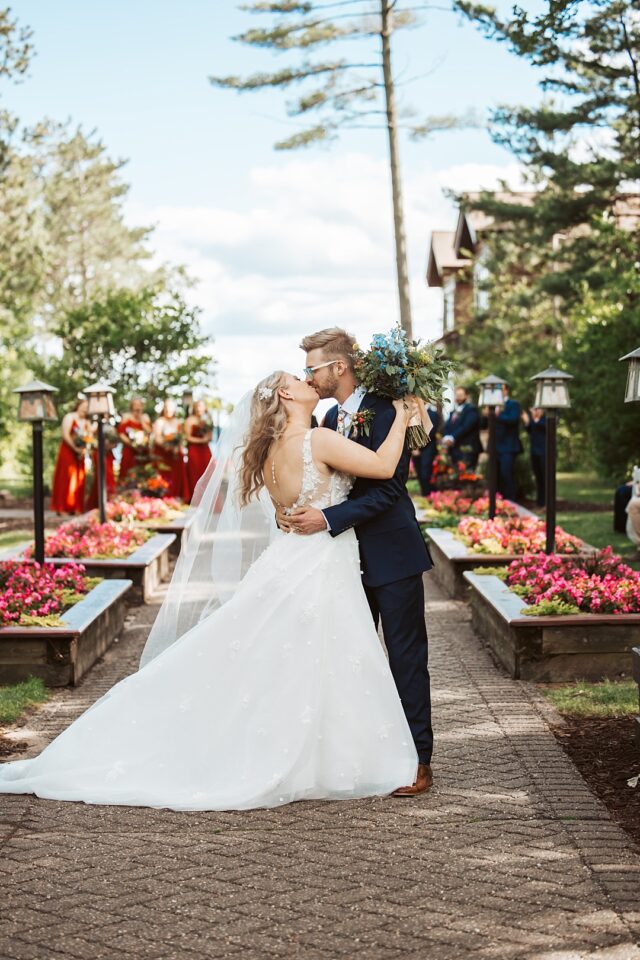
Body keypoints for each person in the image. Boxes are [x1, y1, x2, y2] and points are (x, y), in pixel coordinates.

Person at [0, 372, 419, 810]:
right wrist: (405, 415)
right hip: (319, 561)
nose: (307, 379)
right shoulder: (318, 440)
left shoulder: (270, 451)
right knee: (313, 655)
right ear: (286, 394)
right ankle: (319, 756)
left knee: (289, 656)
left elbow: (284, 511)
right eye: (298, 377)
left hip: (289, 557)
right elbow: (386, 468)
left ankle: (309, 753)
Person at [282, 327, 434, 798]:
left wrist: (327, 517)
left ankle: (418, 761)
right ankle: (360, 755)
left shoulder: (389, 408)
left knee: (405, 657)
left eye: (313, 367)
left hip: (392, 552)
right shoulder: (327, 417)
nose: (311, 374)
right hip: (343, 560)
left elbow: (389, 489)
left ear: (338, 367)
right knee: (351, 659)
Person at [50, 397, 91, 515]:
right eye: (84, 405)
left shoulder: (87, 422)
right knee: (66, 477)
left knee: (79, 479)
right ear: (78, 405)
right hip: (68, 450)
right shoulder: (70, 417)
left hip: (80, 453)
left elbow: (89, 438)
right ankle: (62, 507)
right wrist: (75, 448)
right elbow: (65, 434)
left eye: (88, 407)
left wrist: (84, 449)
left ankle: (76, 507)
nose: (85, 408)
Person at [152, 399, 188, 499]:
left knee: (177, 473)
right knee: (163, 475)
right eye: (167, 408)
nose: (168, 410)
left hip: (175, 454)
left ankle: (177, 495)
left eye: (171, 408)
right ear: (164, 409)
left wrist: (176, 448)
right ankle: (163, 495)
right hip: (163, 453)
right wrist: (167, 446)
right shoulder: (160, 422)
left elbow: (181, 438)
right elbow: (157, 438)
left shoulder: (178, 422)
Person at [493, 384, 523, 503]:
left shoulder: (513, 404)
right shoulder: (492, 406)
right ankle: (499, 500)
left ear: (506, 391)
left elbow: (513, 419)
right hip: (495, 446)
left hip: (509, 446)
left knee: (507, 473)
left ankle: (511, 501)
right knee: (497, 475)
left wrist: (498, 415)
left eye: (501, 389)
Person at [441, 387, 481, 469]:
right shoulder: (453, 412)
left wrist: (452, 438)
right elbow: (447, 426)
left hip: (467, 449)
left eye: (461, 395)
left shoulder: (471, 410)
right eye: (457, 395)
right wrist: (446, 437)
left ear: (466, 396)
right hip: (454, 449)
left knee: (467, 475)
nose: (458, 397)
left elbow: (466, 427)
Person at [117, 398, 152, 486]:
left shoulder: (145, 417)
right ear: (131, 406)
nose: (137, 407)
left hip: (142, 451)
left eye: (139, 404)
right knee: (127, 473)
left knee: (142, 473)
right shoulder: (126, 416)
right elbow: (120, 433)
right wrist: (132, 444)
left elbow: (149, 432)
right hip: (129, 450)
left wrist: (141, 420)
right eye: (135, 404)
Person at [184, 400, 214, 502]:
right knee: (195, 473)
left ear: (205, 408)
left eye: (201, 406)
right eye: (197, 406)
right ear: (194, 408)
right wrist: (201, 440)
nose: (199, 409)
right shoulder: (189, 420)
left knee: (208, 472)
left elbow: (210, 436)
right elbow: (187, 437)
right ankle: (195, 499)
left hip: (205, 450)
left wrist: (207, 438)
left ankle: (208, 500)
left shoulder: (208, 420)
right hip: (194, 450)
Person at [412, 405, 440, 496]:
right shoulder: (413, 412)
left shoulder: (433, 414)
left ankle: (430, 495)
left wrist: (417, 446)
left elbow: (430, 432)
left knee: (426, 474)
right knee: (419, 474)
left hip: (428, 448)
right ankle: (425, 495)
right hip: (414, 449)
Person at [522, 407, 546, 507]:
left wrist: (535, 419)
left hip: (545, 452)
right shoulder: (533, 420)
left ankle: (546, 502)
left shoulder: (546, 420)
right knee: (538, 478)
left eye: (538, 409)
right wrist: (527, 421)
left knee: (545, 478)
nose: (536, 412)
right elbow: (529, 430)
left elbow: (543, 426)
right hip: (534, 452)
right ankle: (540, 502)